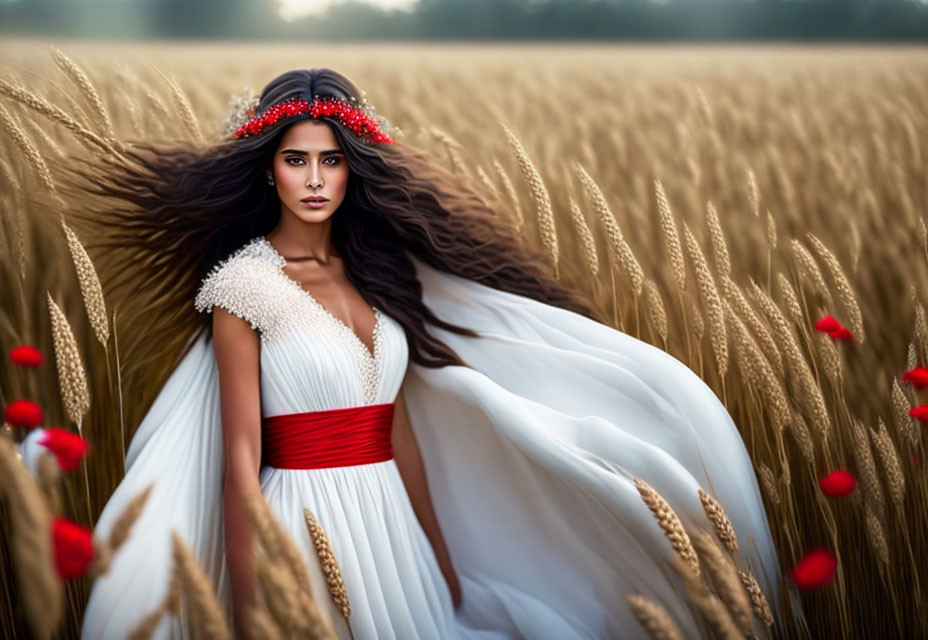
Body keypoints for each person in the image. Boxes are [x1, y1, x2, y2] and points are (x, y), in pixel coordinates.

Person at [75, 68, 781, 639]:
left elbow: (400, 433)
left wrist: (440, 561)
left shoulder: (378, 278)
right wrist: (249, 607)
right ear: (269, 172)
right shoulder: (242, 290)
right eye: (296, 160)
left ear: (353, 172)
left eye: (332, 160)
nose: (316, 179)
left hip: (394, 531)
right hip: (310, 529)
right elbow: (238, 461)